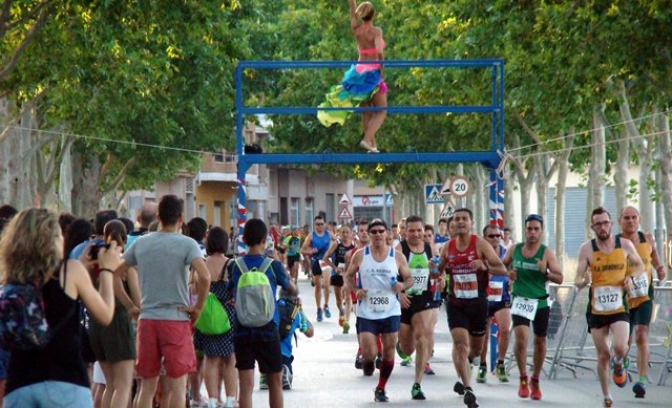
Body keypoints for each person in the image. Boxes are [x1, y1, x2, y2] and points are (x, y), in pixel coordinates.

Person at [1, 208, 118, 407]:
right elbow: (105, 315)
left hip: (20, 385)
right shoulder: (69, 271)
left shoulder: (12, 279)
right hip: (66, 383)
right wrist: (107, 270)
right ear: (54, 238)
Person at [113, 194, 211, 408]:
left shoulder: (142, 243)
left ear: (158, 216)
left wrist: (130, 306)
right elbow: (204, 277)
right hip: (176, 319)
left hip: (147, 320)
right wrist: (198, 308)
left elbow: (114, 274)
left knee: (147, 385)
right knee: (178, 384)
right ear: (181, 218)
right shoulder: (187, 244)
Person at [575, 206, 645, 408]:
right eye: (598, 224)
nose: (603, 227)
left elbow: (639, 265)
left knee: (621, 347)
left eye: (605, 223)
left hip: (618, 306)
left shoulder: (624, 245)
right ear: (592, 227)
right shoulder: (586, 249)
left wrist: (631, 277)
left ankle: (620, 362)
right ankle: (607, 396)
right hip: (597, 309)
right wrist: (583, 281)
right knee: (603, 355)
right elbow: (577, 279)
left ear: (611, 224)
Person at [437, 208, 507, 408]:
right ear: (452, 224)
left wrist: (485, 266)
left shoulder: (480, 244)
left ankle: (466, 368)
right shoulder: (447, 247)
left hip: (478, 304)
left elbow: (502, 268)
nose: (460, 222)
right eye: (457, 219)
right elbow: (437, 272)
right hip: (456, 303)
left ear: (471, 223)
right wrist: (435, 272)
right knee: (460, 344)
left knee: (475, 350)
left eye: (464, 219)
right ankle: (468, 389)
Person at [227, 218, 296, 408]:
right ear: (265, 239)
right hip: (268, 329)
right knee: (275, 382)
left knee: (246, 385)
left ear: (244, 239)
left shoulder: (235, 266)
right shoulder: (272, 265)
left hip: (242, 330)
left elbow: (230, 290)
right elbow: (291, 289)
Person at [345, 218, 413, 402]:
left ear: (387, 234)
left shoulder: (396, 256)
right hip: (367, 310)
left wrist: (401, 285)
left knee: (389, 352)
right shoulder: (360, 255)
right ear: (368, 234)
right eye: (373, 231)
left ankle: (381, 388)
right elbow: (348, 276)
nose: (377, 234)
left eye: (380, 231)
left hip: (390, 310)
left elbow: (409, 279)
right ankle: (368, 362)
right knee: (369, 353)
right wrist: (356, 290)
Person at [502, 215, 563, 400]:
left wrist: (545, 272)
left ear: (542, 232)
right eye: (529, 229)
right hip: (520, 300)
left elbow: (559, 278)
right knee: (521, 339)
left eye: (536, 229)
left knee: (540, 342)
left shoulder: (546, 253)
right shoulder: (515, 249)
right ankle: (522, 378)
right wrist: (508, 273)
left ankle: (535, 379)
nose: (532, 233)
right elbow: (502, 265)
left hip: (540, 302)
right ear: (525, 230)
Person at [317, 0, 387, 153]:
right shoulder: (376, 31)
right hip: (371, 73)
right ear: (373, 14)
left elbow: (352, 16)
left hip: (357, 72)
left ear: (362, 15)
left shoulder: (356, 30)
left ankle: (372, 145)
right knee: (381, 110)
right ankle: (368, 139)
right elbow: (380, 52)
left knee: (366, 110)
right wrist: (382, 70)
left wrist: (352, 4)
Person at [87, 220, 141, 408]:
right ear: (125, 240)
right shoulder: (125, 265)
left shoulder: (94, 264)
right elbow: (138, 299)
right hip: (118, 322)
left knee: (109, 384)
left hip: (95, 323)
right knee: (123, 386)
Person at [617, 206, 667, 399]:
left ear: (640, 219)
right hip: (622, 297)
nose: (630, 221)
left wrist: (660, 267)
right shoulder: (615, 243)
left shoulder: (647, 239)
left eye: (634, 217)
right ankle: (621, 362)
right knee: (625, 342)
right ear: (620, 220)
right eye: (626, 218)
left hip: (644, 295)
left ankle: (641, 380)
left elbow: (653, 255)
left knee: (641, 335)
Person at [395, 216, 442, 400]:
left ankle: (417, 383)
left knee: (423, 336)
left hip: (425, 298)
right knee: (408, 349)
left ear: (424, 231)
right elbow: (389, 276)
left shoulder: (431, 248)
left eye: (419, 230)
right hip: (405, 299)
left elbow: (438, 274)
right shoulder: (399, 250)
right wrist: (399, 294)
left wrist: (436, 274)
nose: (416, 234)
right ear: (405, 231)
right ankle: (402, 346)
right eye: (412, 230)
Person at [194, 226, 237, 408]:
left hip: (205, 315)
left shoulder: (201, 263)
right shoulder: (231, 264)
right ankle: (230, 399)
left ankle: (211, 400)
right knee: (230, 359)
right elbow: (236, 290)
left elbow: (195, 288)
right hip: (227, 317)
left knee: (210, 359)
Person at [477, 224, 511, 384]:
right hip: (484, 297)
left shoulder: (506, 254)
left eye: (498, 235)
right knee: (483, 333)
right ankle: (482, 365)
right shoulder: (480, 255)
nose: (496, 238)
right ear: (485, 238)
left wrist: (511, 281)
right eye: (492, 236)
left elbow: (512, 272)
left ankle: (500, 364)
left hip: (501, 297)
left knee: (505, 329)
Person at [300, 215, 335, 322]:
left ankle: (326, 305)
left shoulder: (329, 234)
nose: (319, 226)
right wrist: (310, 251)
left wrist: (333, 249)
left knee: (327, 284)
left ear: (324, 224)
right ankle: (319, 309)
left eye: (321, 224)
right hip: (316, 261)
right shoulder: (311, 236)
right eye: (317, 224)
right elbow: (302, 250)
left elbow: (337, 243)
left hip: (326, 261)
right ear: (314, 225)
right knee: (318, 287)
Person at [323, 223, 356, 330]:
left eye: (347, 232)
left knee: (347, 297)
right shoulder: (336, 244)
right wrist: (334, 267)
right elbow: (325, 258)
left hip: (349, 274)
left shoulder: (355, 245)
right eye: (343, 232)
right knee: (339, 299)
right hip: (337, 273)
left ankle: (346, 321)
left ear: (351, 234)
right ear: (339, 233)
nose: (345, 234)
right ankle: (341, 312)